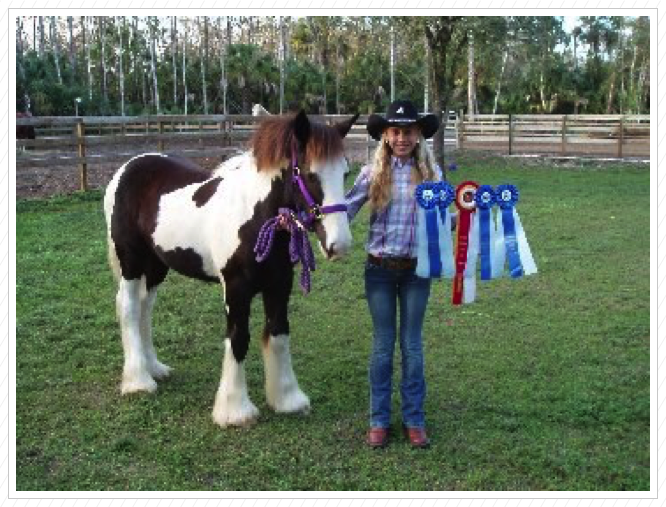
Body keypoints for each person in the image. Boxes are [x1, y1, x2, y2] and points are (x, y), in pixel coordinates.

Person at [345, 99, 443, 449]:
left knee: (412, 346)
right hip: (380, 272)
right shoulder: (371, 174)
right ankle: (379, 420)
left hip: (417, 272)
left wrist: (470, 211)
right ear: (386, 135)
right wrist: (313, 213)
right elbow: (346, 209)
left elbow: (444, 220)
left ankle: (414, 419)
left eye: (409, 131)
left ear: (419, 135)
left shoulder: (432, 176)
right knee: (384, 346)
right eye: (396, 131)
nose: (402, 137)